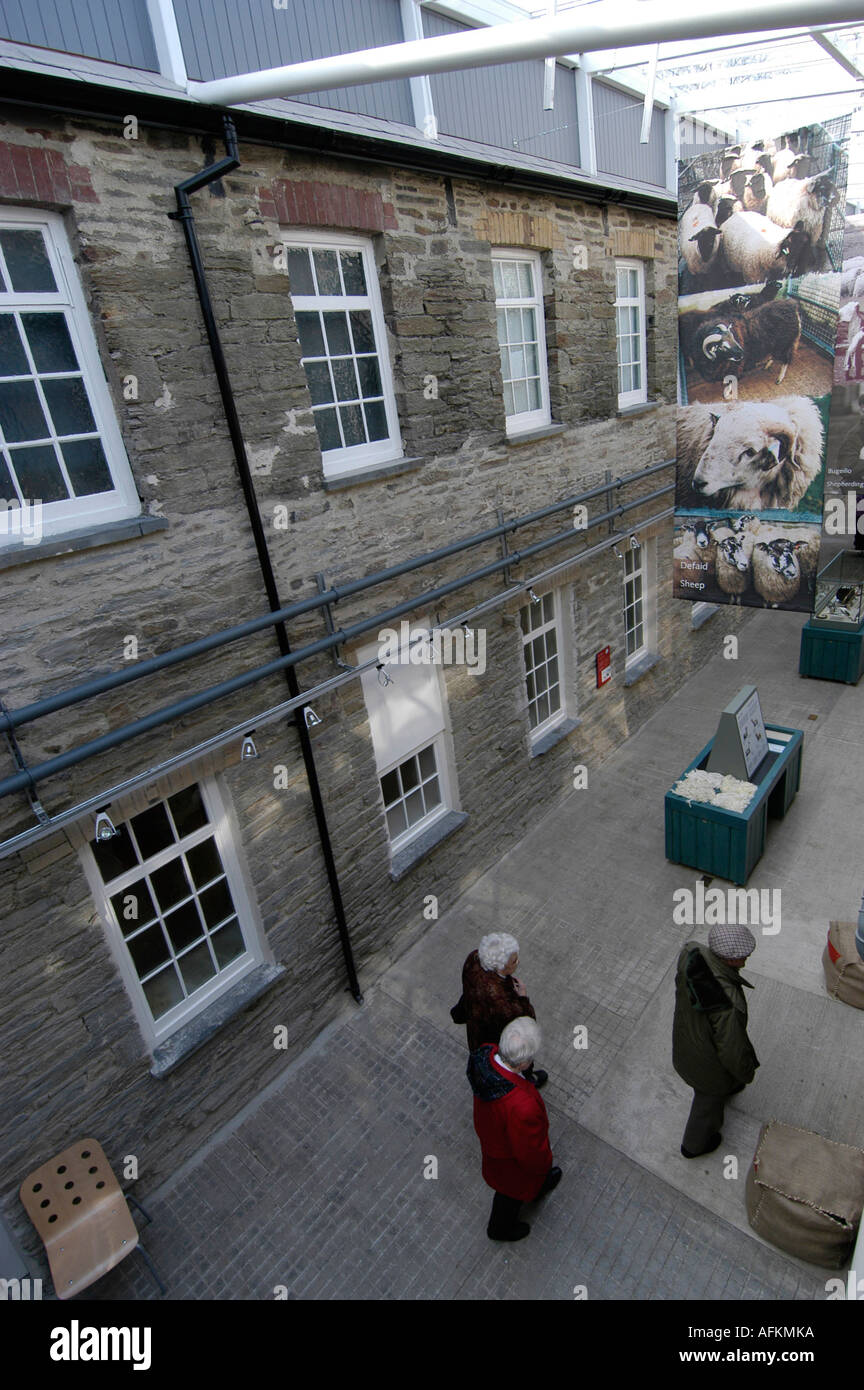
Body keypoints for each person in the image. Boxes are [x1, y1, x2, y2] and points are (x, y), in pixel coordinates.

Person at [467, 1017, 562, 1242]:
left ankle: (538, 1187)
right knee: (510, 1194)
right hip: (510, 1162)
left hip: (495, 1143)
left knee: (510, 1189)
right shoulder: (521, 1106)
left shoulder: (485, 1054)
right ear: (523, 1064)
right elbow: (530, 1151)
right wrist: (543, 1164)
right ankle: (499, 1229)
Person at [673, 924, 760, 1158]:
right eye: (744, 955)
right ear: (730, 961)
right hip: (705, 1065)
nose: (747, 957)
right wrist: (746, 1072)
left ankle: (730, 1085)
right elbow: (732, 1048)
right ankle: (694, 1145)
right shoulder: (729, 1004)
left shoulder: (692, 953)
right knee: (707, 1106)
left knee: (719, 1086)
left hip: (686, 1040)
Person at [457, 932, 547, 1087]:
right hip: (495, 1039)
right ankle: (527, 1079)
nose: (518, 962)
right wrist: (523, 997)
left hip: (476, 1028)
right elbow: (526, 1023)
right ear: (501, 966)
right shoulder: (502, 1001)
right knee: (516, 1057)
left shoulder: (474, 959)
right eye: (514, 961)